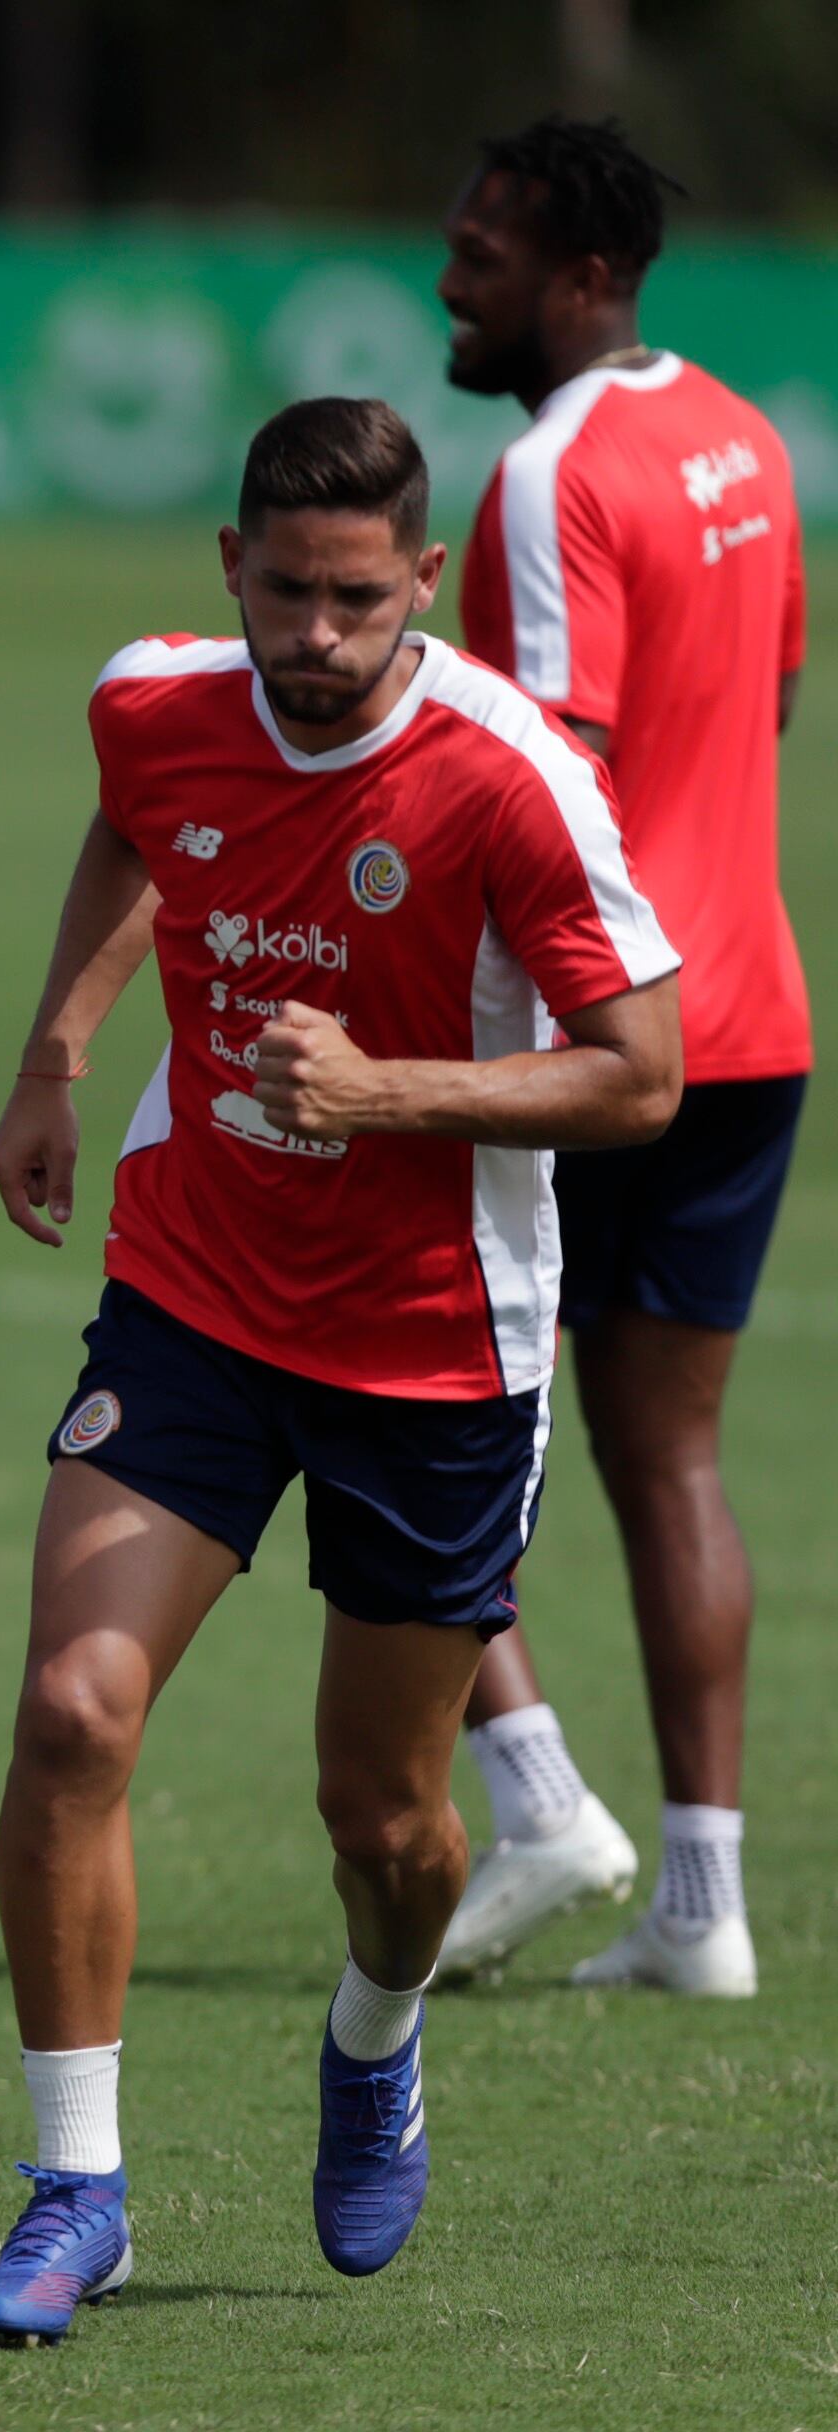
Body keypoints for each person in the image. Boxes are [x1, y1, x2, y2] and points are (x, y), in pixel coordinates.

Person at [0, 399, 680, 2343]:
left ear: (421, 584)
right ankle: (73, 2186)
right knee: (72, 1713)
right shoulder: (155, 701)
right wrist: (58, 1051)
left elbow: (643, 1069)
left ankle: (377, 2031)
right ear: (229, 568)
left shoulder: (510, 780)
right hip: (193, 1287)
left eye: (356, 600)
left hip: (435, 1345)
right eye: (282, 591)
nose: (315, 635)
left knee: (386, 1824)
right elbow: (138, 819)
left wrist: (387, 1094)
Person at [430, 116, 808, 1997]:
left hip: (597, 1035)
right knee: (675, 1463)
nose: (451, 278)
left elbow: (546, 770)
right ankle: (704, 1906)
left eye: (485, 253)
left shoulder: (545, 473)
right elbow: (779, 702)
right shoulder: (745, 433)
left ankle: (535, 1796)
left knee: (383, 1393)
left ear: (583, 273)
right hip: (756, 1019)